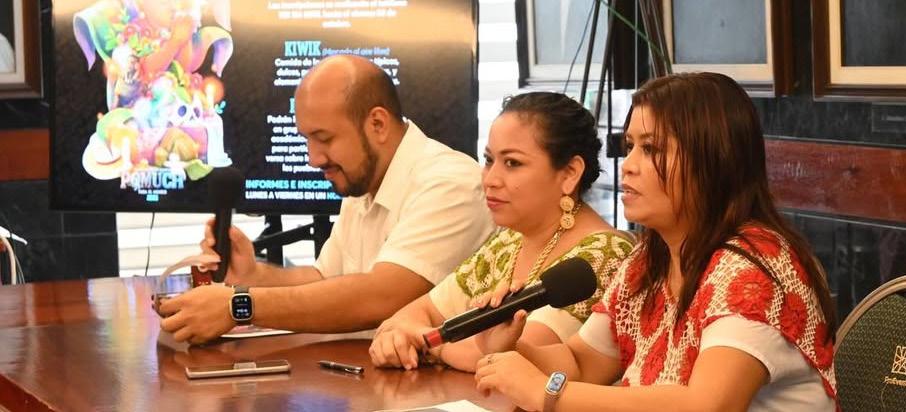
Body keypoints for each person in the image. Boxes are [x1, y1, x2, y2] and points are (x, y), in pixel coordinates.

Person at [472, 73, 839, 411]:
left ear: (712, 161)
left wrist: (546, 392)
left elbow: (707, 406)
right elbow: (582, 363)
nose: (628, 164)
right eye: (630, 145)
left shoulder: (755, 264)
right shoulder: (649, 260)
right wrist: (511, 348)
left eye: (651, 150)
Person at [158, 55, 495, 344]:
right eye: (307, 139)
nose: (313, 158)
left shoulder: (450, 183)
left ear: (378, 124)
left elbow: (381, 297)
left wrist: (238, 305)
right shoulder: (363, 177)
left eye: (324, 138)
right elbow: (325, 279)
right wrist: (253, 275)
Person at [369, 92, 633, 372]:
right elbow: (410, 316)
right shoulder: (509, 241)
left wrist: (426, 342)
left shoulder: (605, 253)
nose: (490, 180)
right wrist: (399, 337)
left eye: (512, 163)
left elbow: (517, 352)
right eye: (488, 160)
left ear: (569, 173)